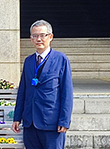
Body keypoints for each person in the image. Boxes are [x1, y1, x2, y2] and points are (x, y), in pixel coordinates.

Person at [12, 20, 73, 149]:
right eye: (34, 36)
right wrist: (17, 117)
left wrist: (64, 120)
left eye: (42, 35)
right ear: (30, 39)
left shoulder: (61, 59)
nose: (38, 39)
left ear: (50, 37)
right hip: (30, 122)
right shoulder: (28, 61)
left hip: (51, 122)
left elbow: (66, 93)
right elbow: (23, 91)